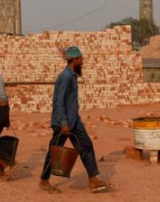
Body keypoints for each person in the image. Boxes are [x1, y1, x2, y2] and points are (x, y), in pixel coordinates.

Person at [39, 46, 109, 194]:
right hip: (63, 123)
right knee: (55, 151)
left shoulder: (72, 75)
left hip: (74, 120)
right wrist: (64, 123)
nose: (82, 61)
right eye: (80, 59)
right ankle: (44, 181)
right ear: (74, 60)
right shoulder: (65, 77)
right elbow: (59, 102)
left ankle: (93, 178)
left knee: (86, 145)